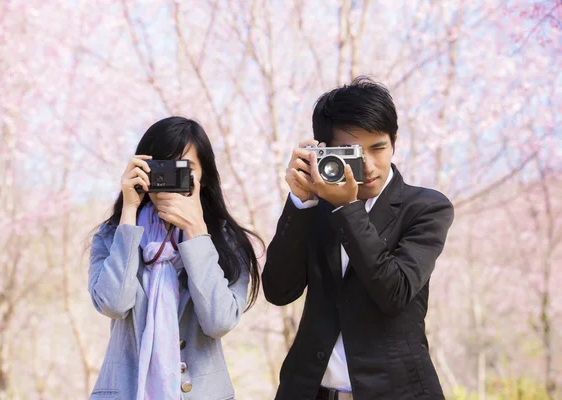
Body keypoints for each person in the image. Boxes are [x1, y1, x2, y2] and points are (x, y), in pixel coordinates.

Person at [262, 76, 454, 400]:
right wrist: (301, 202)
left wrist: (348, 208)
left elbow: (394, 292)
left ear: (394, 141)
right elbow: (278, 291)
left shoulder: (426, 208)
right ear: (326, 150)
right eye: (352, 152)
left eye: (378, 148)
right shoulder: (314, 205)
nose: (366, 166)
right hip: (309, 390)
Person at [88, 116, 261, 400]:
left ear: (203, 175)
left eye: (183, 169)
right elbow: (114, 304)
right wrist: (129, 213)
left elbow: (219, 322)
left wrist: (196, 233)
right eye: (162, 167)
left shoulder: (229, 241)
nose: (170, 179)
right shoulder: (113, 236)